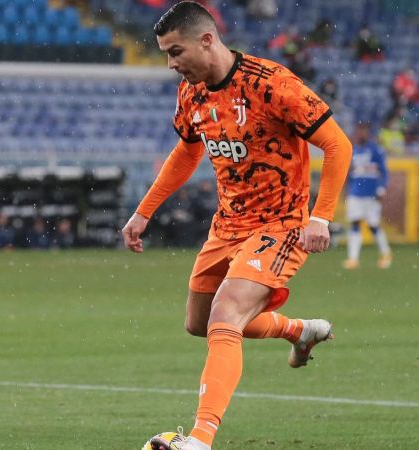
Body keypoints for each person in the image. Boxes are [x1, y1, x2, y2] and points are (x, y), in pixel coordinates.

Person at [122, 3, 352, 449]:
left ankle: (200, 440)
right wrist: (144, 211)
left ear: (207, 40)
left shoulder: (273, 85)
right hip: (227, 225)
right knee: (200, 322)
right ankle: (298, 330)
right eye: (166, 54)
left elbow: (336, 144)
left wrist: (321, 215)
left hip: (281, 225)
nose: (171, 64)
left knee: (226, 315)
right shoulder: (193, 92)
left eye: (175, 51)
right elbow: (187, 153)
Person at [343, 123, 391, 269]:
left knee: (373, 225)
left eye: (363, 131)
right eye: (359, 131)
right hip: (355, 193)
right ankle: (353, 258)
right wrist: (346, 190)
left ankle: (386, 253)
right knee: (355, 222)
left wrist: (382, 188)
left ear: (368, 133)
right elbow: (349, 173)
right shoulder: (353, 150)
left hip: (371, 194)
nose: (361, 134)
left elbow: (384, 172)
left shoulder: (375, 150)